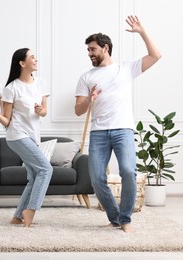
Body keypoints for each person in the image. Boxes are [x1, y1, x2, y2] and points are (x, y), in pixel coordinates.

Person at [74, 15, 161, 233]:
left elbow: (156, 55)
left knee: (128, 171)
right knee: (96, 178)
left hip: (123, 129)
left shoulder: (126, 69)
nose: (89, 54)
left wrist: (142, 31)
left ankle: (126, 219)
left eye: (92, 49)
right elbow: (78, 110)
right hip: (99, 133)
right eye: (88, 50)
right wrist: (89, 100)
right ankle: (116, 218)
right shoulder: (86, 77)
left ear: (105, 48)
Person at [0, 48, 52, 228]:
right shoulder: (11, 88)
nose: (36, 59)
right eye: (32, 57)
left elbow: (44, 111)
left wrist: (41, 111)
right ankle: (31, 209)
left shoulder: (41, 83)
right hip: (17, 136)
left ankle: (17, 216)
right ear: (22, 63)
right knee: (46, 170)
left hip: (33, 136)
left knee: (34, 176)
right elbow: (7, 121)